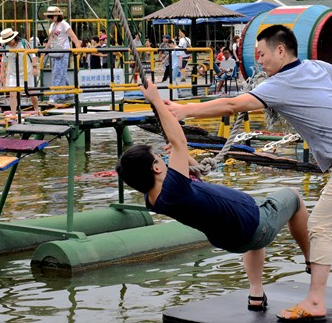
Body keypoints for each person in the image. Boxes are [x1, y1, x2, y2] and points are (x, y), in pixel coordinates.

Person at [163, 25, 332, 321]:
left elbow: (232, 104)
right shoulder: (314, 67)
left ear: (280, 51)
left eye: (263, 54)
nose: (260, 60)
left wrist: (185, 110)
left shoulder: (279, 84)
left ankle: (316, 301)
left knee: (318, 226)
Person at [116, 81, 310, 313]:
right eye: (158, 158)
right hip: (254, 225)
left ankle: (256, 294)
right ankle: (310, 260)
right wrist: (156, 100)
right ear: (156, 169)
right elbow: (179, 141)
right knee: (295, 196)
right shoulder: (174, 189)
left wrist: (185, 158)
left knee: (253, 230)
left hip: (231, 237)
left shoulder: (154, 199)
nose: (162, 159)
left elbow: (194, 179)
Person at [43, 6, 82, 104]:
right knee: (60, 73)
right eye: (49, 16)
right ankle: (67, 93)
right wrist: (45, 50)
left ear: (57, 15)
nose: (51, 18)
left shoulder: (64, 24)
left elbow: (72, 35)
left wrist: (78, 46)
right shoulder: (52, 25)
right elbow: (50, 39)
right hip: (54, 51)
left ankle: (54, 96)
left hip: (63, 51)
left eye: (52, 16)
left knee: (58, 73)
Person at [0, 28, 40, 113]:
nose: (9, 42)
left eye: (10, 39)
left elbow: (33, 55)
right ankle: (13, 114)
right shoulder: (5, 47)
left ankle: (37, 109)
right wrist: (2, 73)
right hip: (13, 73)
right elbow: (4, 60)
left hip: (27, 72)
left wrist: (35, 67)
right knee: (12, 94)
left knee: (31, 92)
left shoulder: (23, 43)